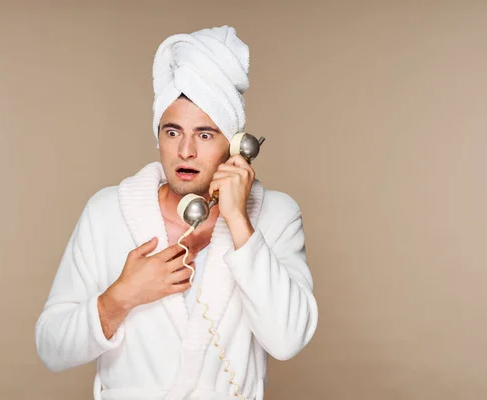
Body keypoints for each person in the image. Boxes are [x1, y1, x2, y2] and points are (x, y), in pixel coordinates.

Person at [35, 25, 318, 400]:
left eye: (204, 134)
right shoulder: (107, 212)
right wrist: (119, 298)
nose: (185, 150)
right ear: (158, 137)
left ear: (235, 145)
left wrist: (238, 221)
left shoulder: (277, 215)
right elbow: (51, 348)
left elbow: (287, 340)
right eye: (172, 132)